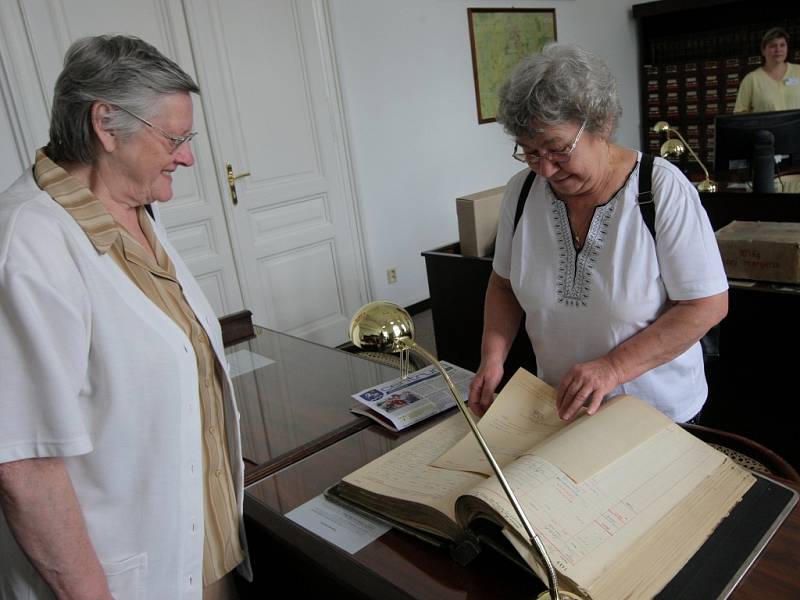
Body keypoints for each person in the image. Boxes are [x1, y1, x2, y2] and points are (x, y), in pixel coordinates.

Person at [0, 35, 249, 599]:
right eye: (175, 137)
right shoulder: (26, 245)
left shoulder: (134, 210)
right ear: (106, 125)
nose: (187, 155)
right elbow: (23, 465)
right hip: (120, 582)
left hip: (203, 556)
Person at [467, 43, 728, 424]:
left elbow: (706, 305)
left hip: (656, 417)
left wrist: (613, 368)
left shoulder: (660, 189)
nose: (546, 170)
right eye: (529, 152)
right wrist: (492, 358)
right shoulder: (522, 193)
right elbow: (504, 286)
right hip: (563, 409)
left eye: (557, 150)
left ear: (601, 123)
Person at [734, 27, 800, 113]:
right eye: (773, 46)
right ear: (763, 51)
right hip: (766, 127)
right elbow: (739, 114)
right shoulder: (751, 79)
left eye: (782, 45)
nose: (778, 50)